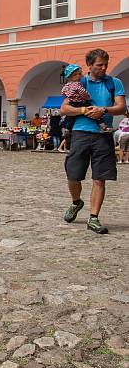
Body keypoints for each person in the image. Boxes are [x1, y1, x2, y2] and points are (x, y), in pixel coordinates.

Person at [61, 48, 126, 234]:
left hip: (104, 135)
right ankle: (76, 202)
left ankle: (93, 218)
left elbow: (121, 106)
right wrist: (84, 111)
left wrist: (103, 110)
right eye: (99, 65)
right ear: (89, 65)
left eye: (106, 64)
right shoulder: (78, 81)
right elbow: (64, 109)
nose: (104, 67)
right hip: (81, 133)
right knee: (73, 175)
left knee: (100, 178)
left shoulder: (114, 83)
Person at [61, 64, 110, 131]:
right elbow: (83, 92)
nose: (78, 76)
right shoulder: (77, 84)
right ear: (69, 77)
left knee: (71, 117)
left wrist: (69, 96)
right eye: (75, 75)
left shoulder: (67, 85)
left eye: (79, 74)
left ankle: (67, 129)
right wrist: (88, 97)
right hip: (81, 102)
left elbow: (63, 92)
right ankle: (102, 125)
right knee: (93, 111)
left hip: (72, 103)